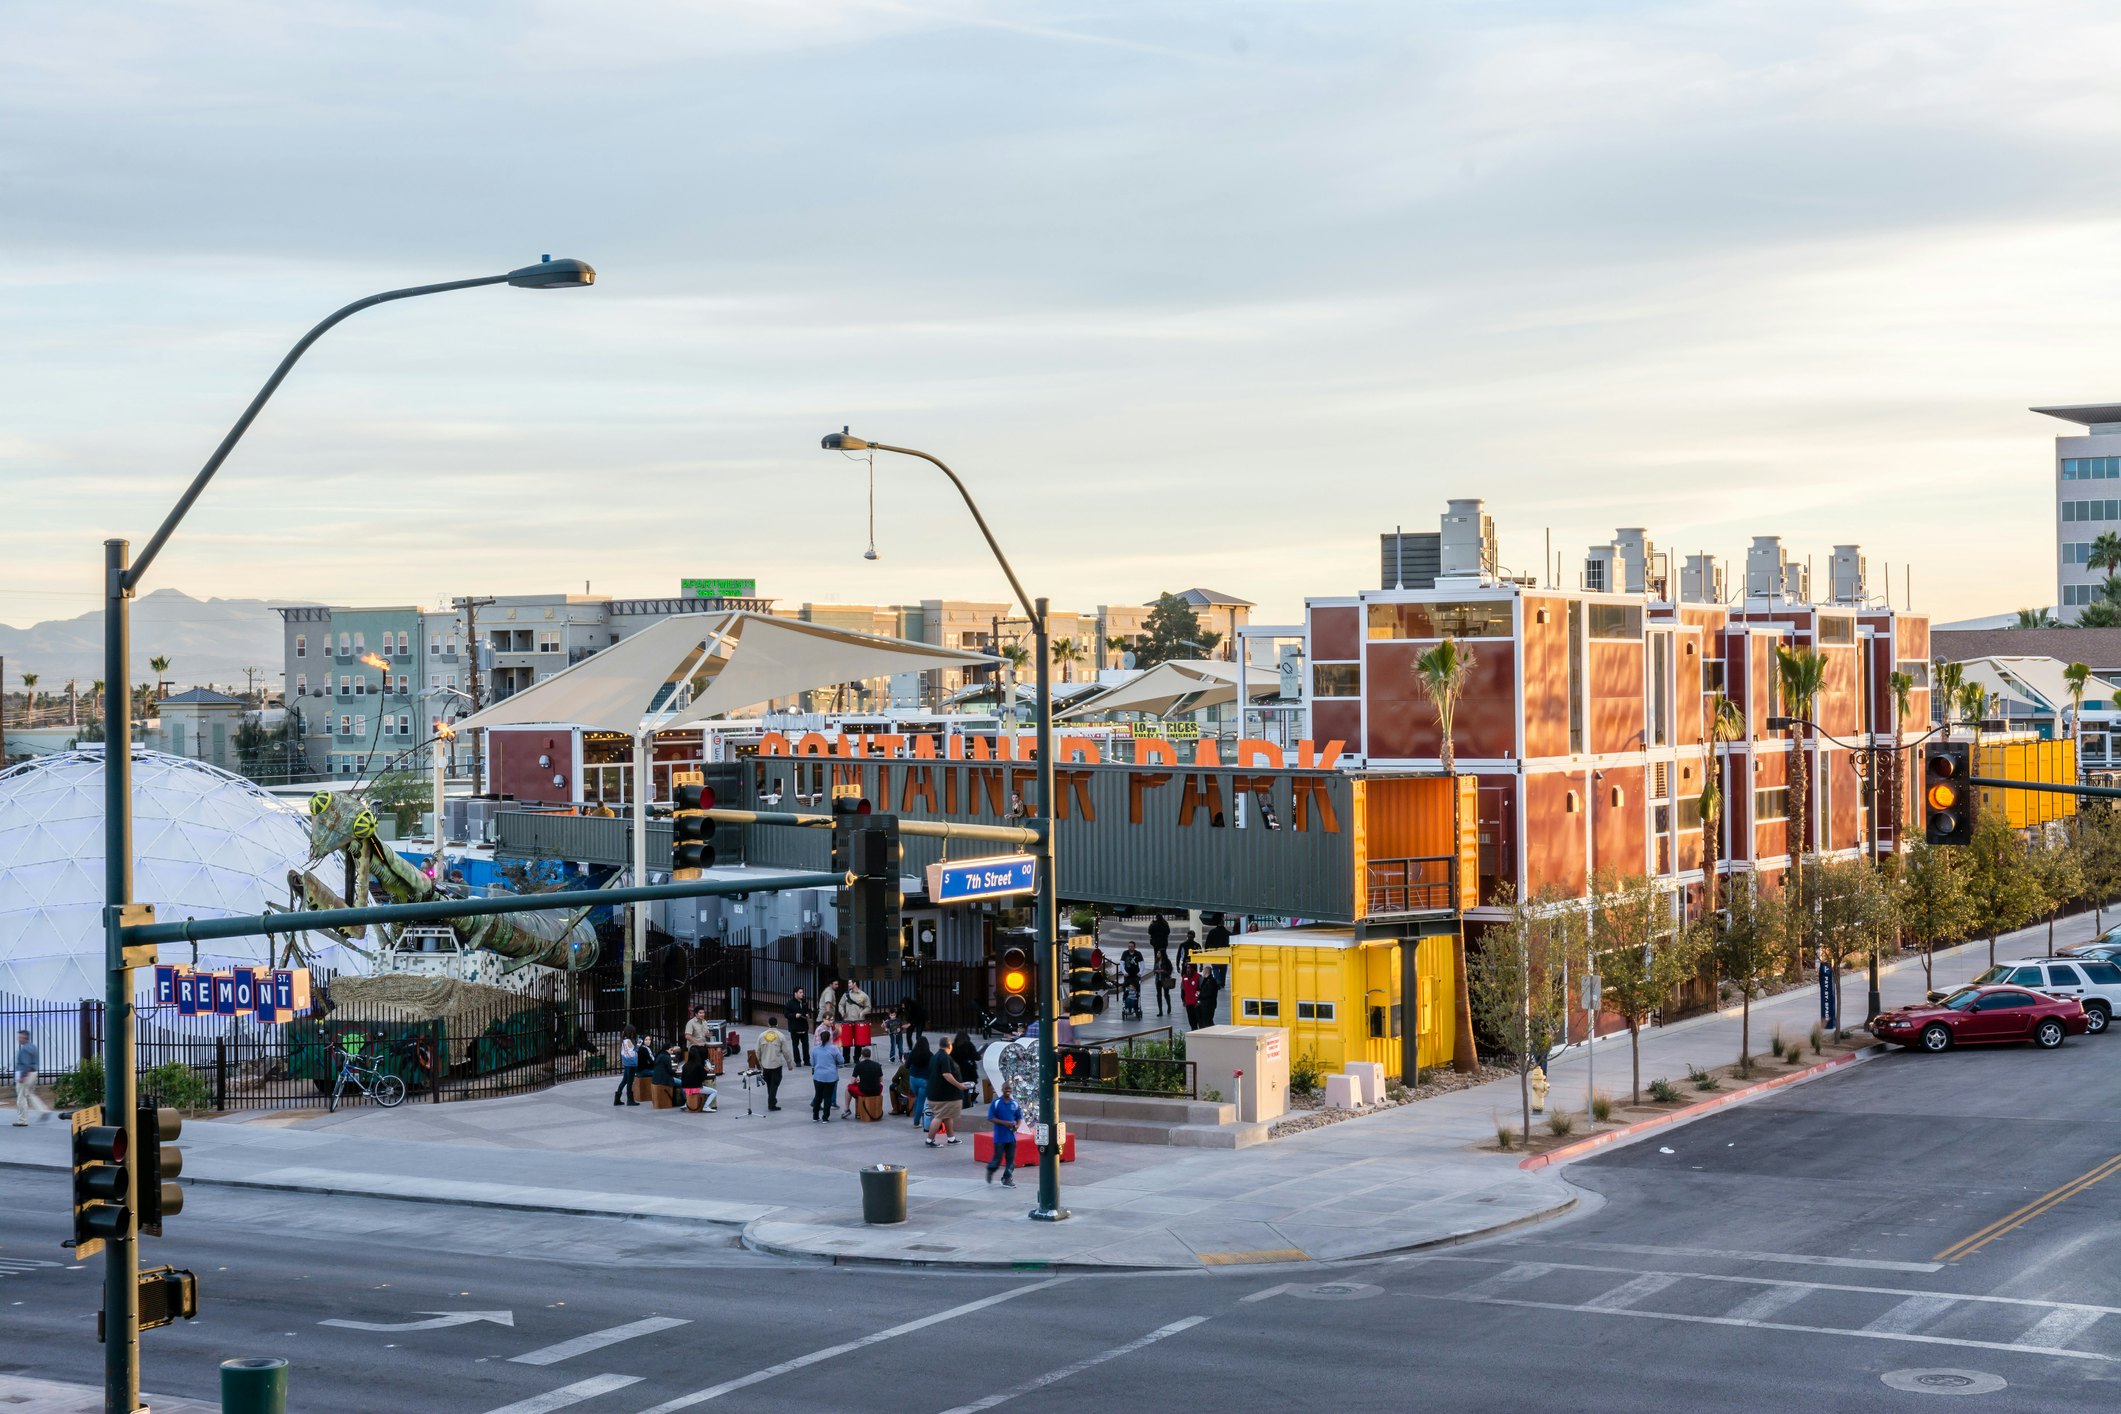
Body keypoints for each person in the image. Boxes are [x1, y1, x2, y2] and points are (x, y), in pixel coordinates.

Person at [924, 1037, 966, 1147]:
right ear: (949, 1046)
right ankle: (930, 1140)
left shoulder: (934, 1057)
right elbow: (946, 1074)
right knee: (939, 1116)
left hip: (935, 1092)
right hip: (941, 1095)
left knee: (947, 1116)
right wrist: (959, 1085)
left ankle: (951, 1138)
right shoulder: (944, 1057)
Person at [984, 1080, 1023, 1187]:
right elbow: (990, 1118)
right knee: (997, 1159)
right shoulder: (996, 1103)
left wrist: (1017, 1126)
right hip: (1000, 1137)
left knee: (1011, 1161)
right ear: (1002, 1090)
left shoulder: (1014, 1104)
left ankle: (1007, 1178)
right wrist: (1005, 1123)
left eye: (1009, 1089)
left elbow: (1019, 1118)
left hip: (1011, 1137)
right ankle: (991, 1170)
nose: (1007, 1091)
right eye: (1006, 1089)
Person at [13, 1030, 48, 1126]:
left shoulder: (25, 1049)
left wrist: (23, 1076)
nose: (18, 1039)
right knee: (30, 1094)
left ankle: (22, 1120)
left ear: (24, 1038)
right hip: (33, 1073)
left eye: (20, 1037)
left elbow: (26, 1064)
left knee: (21, 1097)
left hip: (25, 1074)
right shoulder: (33, 1047)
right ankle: (43, 1110)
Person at [754, 1016, 789, 1112]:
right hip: (776, 1064)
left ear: (768, 1024)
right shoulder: (781, 1036)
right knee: (775, 1084)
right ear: (777, 1024)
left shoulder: (761, 1035)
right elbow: (786, 1051)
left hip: (765, 1064)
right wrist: (789, 1063)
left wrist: (759, 1063)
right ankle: (771, 1103)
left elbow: (757, 1051)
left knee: (769, 1084)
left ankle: (772, 1100)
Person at [810, 1029, 843, 1122]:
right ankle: (825, 1117)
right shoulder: (834, 1049)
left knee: (818, 1095)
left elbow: (812, 1062)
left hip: (818, 1076)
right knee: (828, 1096)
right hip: (830, 1076)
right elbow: (841, 1061)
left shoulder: (815, 1049)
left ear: (821, 1039)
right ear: (829, 1038)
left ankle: (815, 1116)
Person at [680, 1046, 719, 1113]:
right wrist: (706, 1071)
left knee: (694, 1087)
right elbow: (703, 1078)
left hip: (686, 1089)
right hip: (696, 1088)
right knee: (714, 1092)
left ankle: (687, 1103)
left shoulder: (685, 1066)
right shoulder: (698, 1066)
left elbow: (683, 1078)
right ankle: (706, 1106)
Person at [837, 979, 872, 1050]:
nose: (848, 984)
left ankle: (857, 1056)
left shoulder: (863, 995)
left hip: (859, 1021)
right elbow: (840, 1004)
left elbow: (868, 1007)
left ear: (854, 983)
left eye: (849, 983)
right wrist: (842, 1012)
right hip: (847, 1021)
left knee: (858, 1042)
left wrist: (863, 1012)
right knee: (846, 1042)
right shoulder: (846, 994)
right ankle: (846, 1056)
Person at [907, 1033, 933, 1129]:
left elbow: (906, 1066)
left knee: (917, 1098)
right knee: (921, 1101)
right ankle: (916, 1122)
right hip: (924, 1080)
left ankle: (916, 1118)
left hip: (913, 1078)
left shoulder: (913, 1053)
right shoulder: (930, 1055)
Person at [853, 1046, 885, 1122]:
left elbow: (852, 1081)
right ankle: (876, 1108)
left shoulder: (859, 1065)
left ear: (862, 1056)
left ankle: (847, 1109)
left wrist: (858, 1080)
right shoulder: (877, 1065)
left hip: (864, 1090)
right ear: (870, 1055)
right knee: (880, 1085)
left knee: (849, 1087)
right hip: (876, 1090)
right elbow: (881, 1080)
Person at [613, 1026, 641, 1107]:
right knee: (630, 1081)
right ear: (631, 1032)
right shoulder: (628, 1041)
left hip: (626, 1063)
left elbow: (623, 1052)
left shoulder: (623, 1040)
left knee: (624, 1080)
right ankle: (630, 1100)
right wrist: (638, 1045)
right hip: (632, 1063)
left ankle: (617, 1099)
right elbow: (632, 1052)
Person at [787, 988, 814, 1066]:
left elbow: (806, 1011)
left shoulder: (804, 1002)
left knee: (806, 1045)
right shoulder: (790, 1003)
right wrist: (794, 1015)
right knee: (795, 1045)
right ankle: (797, 1061)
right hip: (794, 1027)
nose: (802, 994)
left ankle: (806, 1060)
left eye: (802, 992)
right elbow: (786, 1014)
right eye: (800, 992)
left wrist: (807, 1014)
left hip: (804, 1027)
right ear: (795, 993)